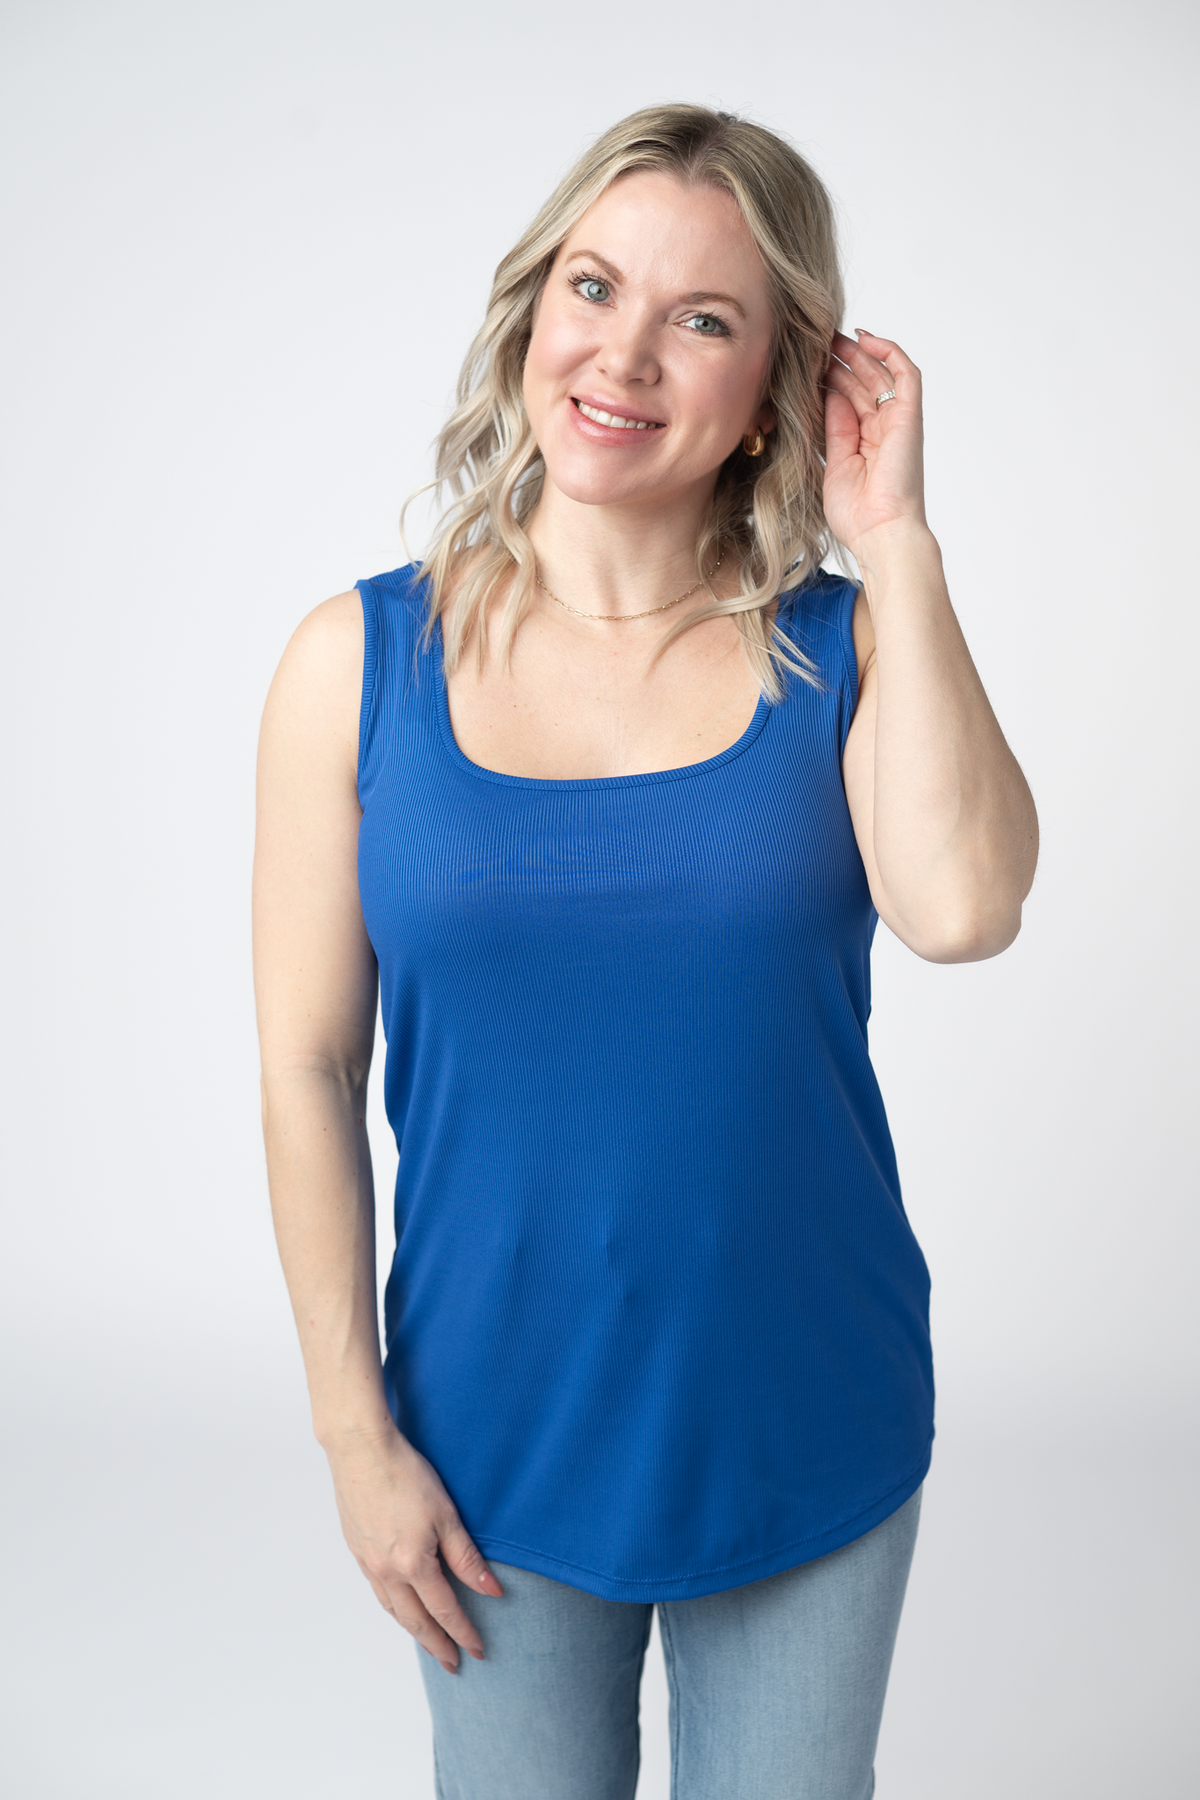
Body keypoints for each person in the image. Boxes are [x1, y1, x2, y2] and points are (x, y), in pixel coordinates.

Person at [252, 104, 1038, 1800]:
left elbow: (967, 909)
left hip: (803, 1415)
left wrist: (894, 540)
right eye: (594, 288)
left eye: (704, 320)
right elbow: (308, 1066)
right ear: (533, 306)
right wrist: (353, 1436)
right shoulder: (356, 660)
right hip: (488, 1446)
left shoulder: (838, 653)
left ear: (781, 380)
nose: (624, 355)